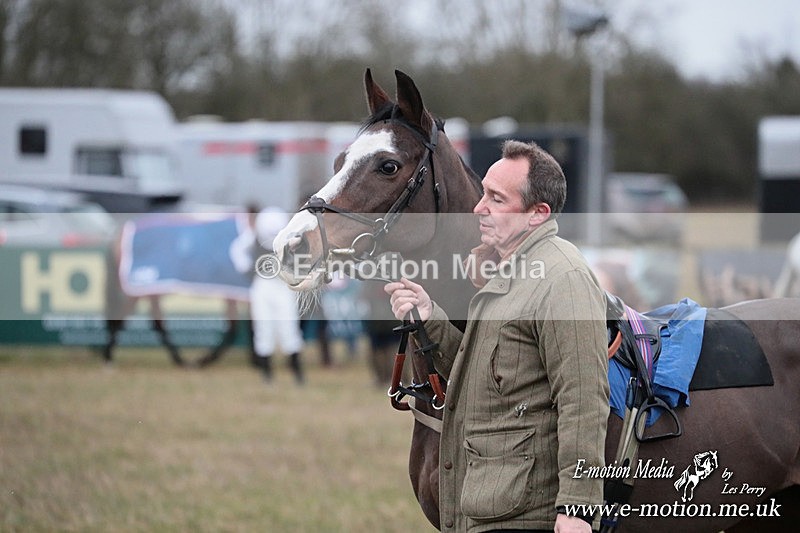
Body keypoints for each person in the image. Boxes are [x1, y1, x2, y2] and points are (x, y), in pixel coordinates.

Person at [385, 140, 609, 532]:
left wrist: (577, 508)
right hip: (489, 506)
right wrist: (430, 316)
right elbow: (476, 376)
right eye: (483, 192)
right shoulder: (505, 273)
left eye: (496, 199)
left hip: (525, 515)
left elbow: (584, 400)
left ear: (537, 214)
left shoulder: (563, 279)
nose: (478, 208)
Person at [230, 204, 304, 384]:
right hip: (262, 285)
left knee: (289, 326)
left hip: (283, 285)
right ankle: (266, 374)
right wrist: (247, 270)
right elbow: (237, 250)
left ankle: (297, 372)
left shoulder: (291, 239)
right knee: (264, 328)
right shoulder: (252, 238)